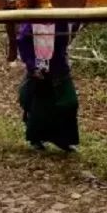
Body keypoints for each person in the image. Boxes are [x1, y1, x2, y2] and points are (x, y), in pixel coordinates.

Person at [17, 23, 79, 152]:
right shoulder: (30, 22)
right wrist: (32, 66)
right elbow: (23, 42)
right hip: (39, 68)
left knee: (69, 102)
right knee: (40, 105)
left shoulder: (62, 21)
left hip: (59, 67)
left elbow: (70, 31)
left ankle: (63, 139)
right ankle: (36, 139)